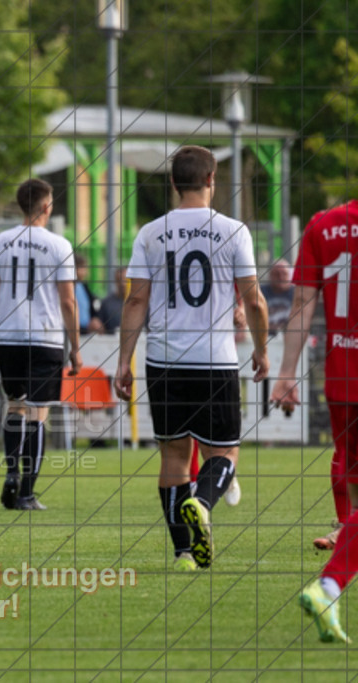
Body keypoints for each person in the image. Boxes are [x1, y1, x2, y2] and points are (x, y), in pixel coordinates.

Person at [115, 145, 269, 572]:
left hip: (163, 361)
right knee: (225, 452)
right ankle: (202, 502)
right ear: (211, 180)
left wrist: (123, 361)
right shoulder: (234, 231)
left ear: (172, 183)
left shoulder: (150, 233)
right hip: (215, 359)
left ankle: (184, 554)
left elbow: (136, 300)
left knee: (173, 459)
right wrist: (261, 348)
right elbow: (254, 300)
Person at [271, 200, 358, 642]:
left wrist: (286, 373)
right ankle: (329, 585)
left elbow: (301, 303)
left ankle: (334, 600)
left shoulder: (324, 225)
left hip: (342, 379)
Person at [0, 178, 81, 511]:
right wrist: (76, 347)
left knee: (15, 407)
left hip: (9, 337)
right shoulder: (59, 245)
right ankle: (26, 491)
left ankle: (11, 472)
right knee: (38, 415)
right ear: (45, 206)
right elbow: (68, 302)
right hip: (46, 338)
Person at [262, 258, 295, 335]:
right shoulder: (260, 293)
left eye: (284, 274)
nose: (281, 277)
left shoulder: (297, 293)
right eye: (277, 274)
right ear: (270, 276)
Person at [74, 253, 103, 334]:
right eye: (82, 268)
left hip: (86, 331)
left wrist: (95, 318)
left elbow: (93, 304)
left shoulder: (83, 286)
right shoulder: (68, 287)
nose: (85, 272)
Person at [97, 267, 127, 334]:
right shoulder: (106, 303)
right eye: (119, 280)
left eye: (125, 280)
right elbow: (100, 325)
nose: (122, 284)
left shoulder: (138, 302)